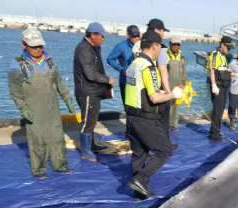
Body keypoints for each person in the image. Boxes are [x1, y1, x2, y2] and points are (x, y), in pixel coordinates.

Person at [8, 29, 75, 179]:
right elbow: (15, 90)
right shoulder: (17, 64)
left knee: (57, 136)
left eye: (40, 46)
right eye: (34, 46)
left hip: (53, 106)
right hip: (34, 108)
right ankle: (39, 169)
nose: (38, 49)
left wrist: (68, 99)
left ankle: (61, 165)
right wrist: (23, 108)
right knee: (38, 138)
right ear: (24, 45)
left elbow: (59, 83)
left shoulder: (50, 60)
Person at [124, 30, 183, 199]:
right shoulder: (148, 68)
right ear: (155, 46)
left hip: (131, 117)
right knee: (164, 152)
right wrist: (174, 95)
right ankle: (141, 179)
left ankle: (138, 193)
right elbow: (154, 97)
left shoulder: (133, 65)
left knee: (139, 154)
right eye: (161, 48)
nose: (161, 52)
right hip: (145, 119)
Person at [73, 22, 115, 162]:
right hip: (87, 92)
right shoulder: (85, 49)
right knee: (88, 121)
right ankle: (86, 150)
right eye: (101, 36)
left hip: (94, 91)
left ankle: (91, 144)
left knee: (92, 119)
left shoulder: (94, 47)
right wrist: (107, 79)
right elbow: (90, 73)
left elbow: (97, 68)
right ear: (92, 35)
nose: (103, 39)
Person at [206, 36, 234, 142]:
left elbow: (225, 71)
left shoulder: (223, 56)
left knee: (220, 110)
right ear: (222, 45)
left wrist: (235, 74)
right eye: (228, 47)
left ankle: (216, 130)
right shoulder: (215, 55)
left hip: (224, 87)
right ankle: (214, 133)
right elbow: (212, 71)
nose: (229, 49)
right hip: (217, 87)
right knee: (217, 111)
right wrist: (213, 85)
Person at [107, 25, 141, 105]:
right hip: (125, 82)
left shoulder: (142, 46)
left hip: (139, 82)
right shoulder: (121, 46)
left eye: (138, 36)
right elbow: (110, 59)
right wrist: (121, 69)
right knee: (128, 107)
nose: (137, 38)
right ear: (128, 35)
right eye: (134, 36)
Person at [167, 36, 187, 132]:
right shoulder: (165, 55)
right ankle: (165, 125)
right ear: (170, 44)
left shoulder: (182, 57)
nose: (175, 46)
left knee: (176, 104)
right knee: (168, 104)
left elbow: (184, 72)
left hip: (178, 84)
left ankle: (173, 125)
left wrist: (185, 83)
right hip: (168, 83)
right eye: (174, 44)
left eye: (178, 44)